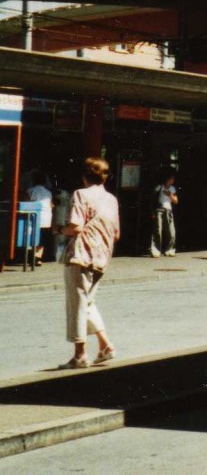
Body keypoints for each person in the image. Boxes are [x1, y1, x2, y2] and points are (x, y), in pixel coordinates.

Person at [59, 157, 119, 369]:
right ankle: (105, 346)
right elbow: (116, 233)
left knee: (77, 304)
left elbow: (75, 228)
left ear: (84, 176)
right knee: (87, 303)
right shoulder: (112, 199)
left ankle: (80, 354)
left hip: (82, 254)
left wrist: (58, 230)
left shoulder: (80, 195)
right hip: (102, 256)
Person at [26, 171, 53, 265]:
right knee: (43, 237)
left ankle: (31, 255)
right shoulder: (48, 192)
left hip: (35, 215)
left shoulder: (31, 190)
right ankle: (38, 257)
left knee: (32, 235)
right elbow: (51, 204)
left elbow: (27, 202)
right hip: (46, 217)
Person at [150, 170, 178, 258]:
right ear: (167, 179)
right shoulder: (159, 187)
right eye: (171, 178)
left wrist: (170, 195)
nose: (173, 180)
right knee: (158, 230)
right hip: (159, 209)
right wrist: (152, 211)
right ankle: (155, 250)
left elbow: (176, 201)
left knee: (171, 231)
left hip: (169, 210)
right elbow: (152, 200)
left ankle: (170, 249)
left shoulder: (172, 189)